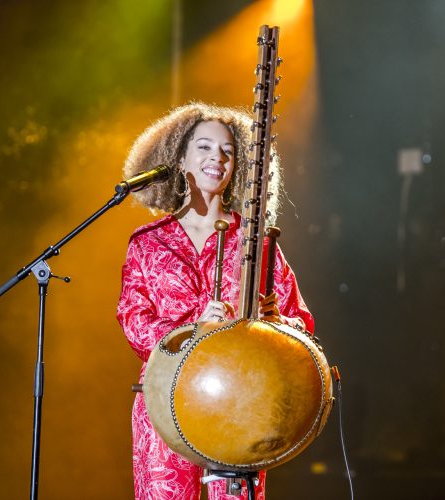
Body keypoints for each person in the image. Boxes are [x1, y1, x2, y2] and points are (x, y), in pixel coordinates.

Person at [117, 102, 314, 500]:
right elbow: (133, 321)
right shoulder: (147, 242)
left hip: (239, 403)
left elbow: (300, 323)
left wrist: (271, 323)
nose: (217, 159)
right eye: (204, 147)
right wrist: (192, 330)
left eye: (227, 151)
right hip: (165, 402)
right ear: (180, 157)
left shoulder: (256, 243)